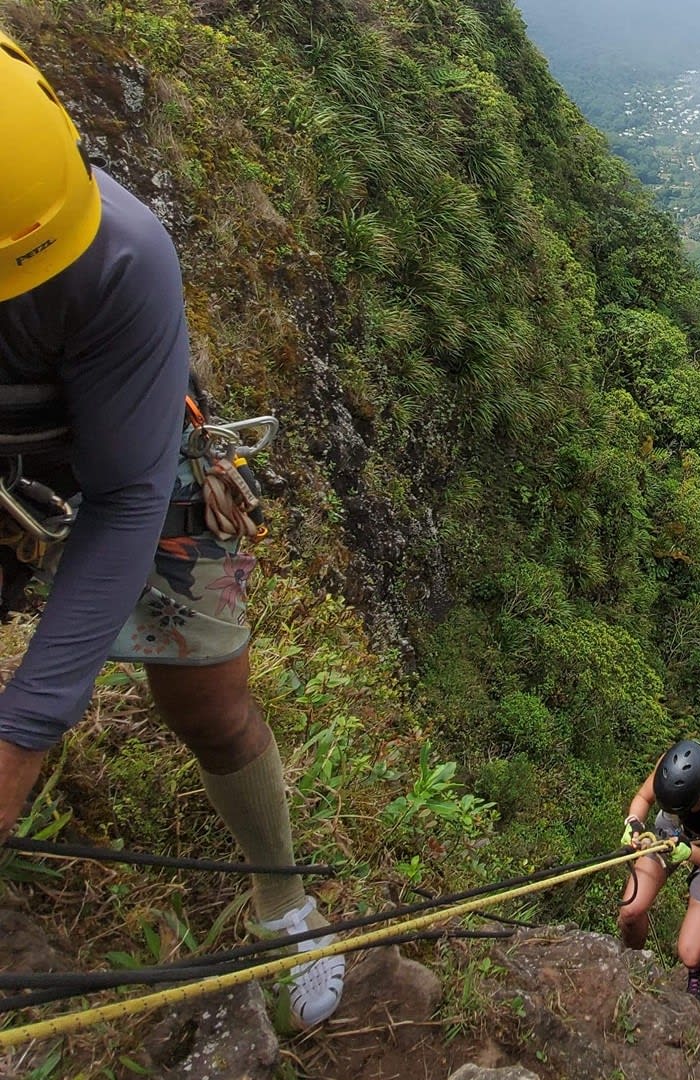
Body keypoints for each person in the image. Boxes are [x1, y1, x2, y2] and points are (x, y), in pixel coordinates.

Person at [0, 30, 344, 1025]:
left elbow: (126, 494)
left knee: (207, 700)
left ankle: (285, 901)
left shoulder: (119, 254)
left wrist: (24, 732)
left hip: (134, 450)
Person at [618, 738, 700, 1007]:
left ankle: (699, 970)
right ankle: (634, 964)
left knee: (689, 952)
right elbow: (643, 797)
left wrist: (690, 853)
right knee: (630, 911)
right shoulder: (670, 766)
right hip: (671, 832)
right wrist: (634, 823)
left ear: (698, 798)